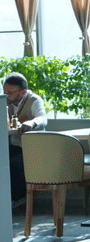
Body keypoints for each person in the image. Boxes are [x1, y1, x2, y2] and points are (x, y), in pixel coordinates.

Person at [4, 73, 47, 203]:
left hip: (31, 148)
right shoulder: (7, 103)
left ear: (22, 92)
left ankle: (18, 198)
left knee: (13, 165)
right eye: (4, 91)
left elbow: (42, 118)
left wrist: (32, 123)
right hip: (14, 146)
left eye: (9, 92)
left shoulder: (34, 100)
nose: (6, 95)